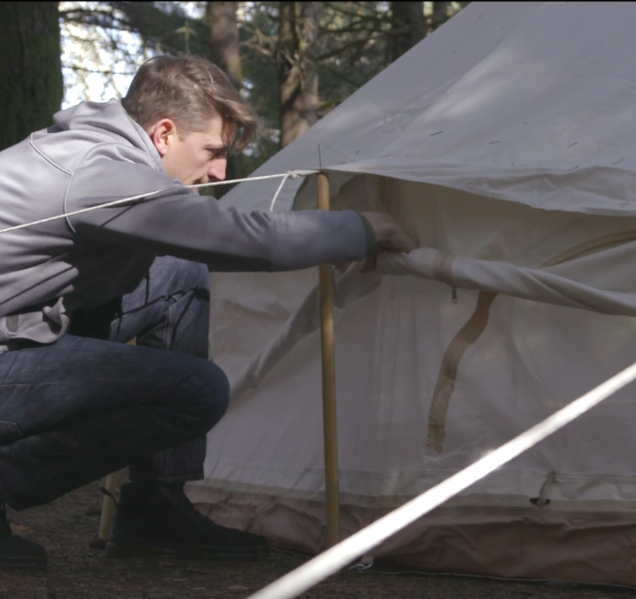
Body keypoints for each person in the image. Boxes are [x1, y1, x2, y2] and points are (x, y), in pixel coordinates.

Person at [0, 55, 416, 569]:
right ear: (165, 133)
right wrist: (364, 230)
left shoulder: (96, 147)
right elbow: (240, 239)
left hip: (20, 322)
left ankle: (156, 506)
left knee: (175, 270)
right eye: (214, 151)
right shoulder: (101, 174)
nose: (220, 171)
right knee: (199, 391)